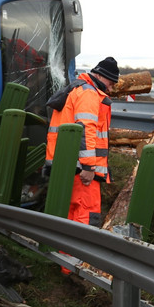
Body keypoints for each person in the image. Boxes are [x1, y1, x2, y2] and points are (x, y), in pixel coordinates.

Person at [45, 56, 118, 229]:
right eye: (111, 82)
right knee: (86, 213)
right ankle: (80, 256)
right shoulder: (89, 94)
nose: (111, 87)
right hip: (82, 170)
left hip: (68, 164)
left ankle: (64, 253)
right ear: (100, 76)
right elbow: (86, 131)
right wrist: (88, 167)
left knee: (70, 212)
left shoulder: (77, 89)